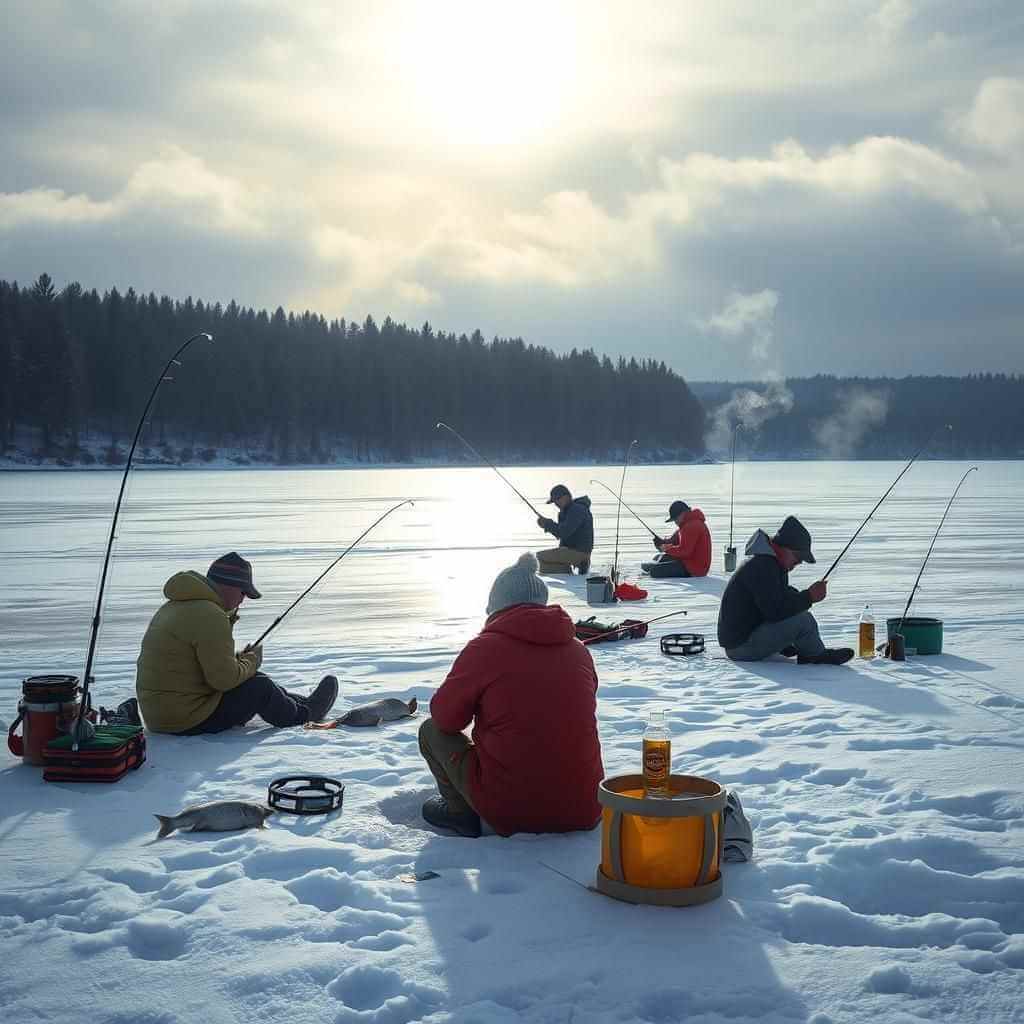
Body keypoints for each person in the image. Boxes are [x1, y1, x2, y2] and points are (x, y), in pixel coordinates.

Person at [418, 552, 604, 838]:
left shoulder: (485, 649)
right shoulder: (579, 650)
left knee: (430, 731)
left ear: (496, 607)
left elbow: (445, 720)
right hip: (585, 808)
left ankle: (460, 813)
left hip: (512, 812)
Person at [136, 551, 339, 734]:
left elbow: (197, 666)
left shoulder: (177, 605)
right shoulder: (210, 615)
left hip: (163, 715)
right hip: (186, 719)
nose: (243, 600)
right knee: (259, 686)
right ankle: (304, 716)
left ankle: (300, 703)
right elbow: (223, 681)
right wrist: (251, 660)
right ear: (228, 585)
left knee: (254, 678)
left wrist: (240, 660)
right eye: (243, 592)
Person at [717, 516, 854, 665]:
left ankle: (796, 646)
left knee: (795, 603)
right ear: (785, 548)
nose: (799, 562)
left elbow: (774, 598)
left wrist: (799, 596)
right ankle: (816, 655)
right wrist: (809, 597)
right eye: (798, 556)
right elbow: (775, 611)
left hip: (739, 641)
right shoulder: (764, 567)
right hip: (740, 648)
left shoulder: (768, 563)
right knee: (804, 621)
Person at [641, 500, 712, 578]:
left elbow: (684, 551)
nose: (675, 522)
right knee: (659, 557)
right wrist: (662, 542)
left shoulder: (691, 526)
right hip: (689, 563)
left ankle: (652, 568)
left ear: (683, 514)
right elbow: (673, 541)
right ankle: (653, 567)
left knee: (655, 571)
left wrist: (665, 548)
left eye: (675, 519)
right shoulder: (687, 524)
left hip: (695, 569)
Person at [536, 484, 594, 574]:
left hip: (580, 553)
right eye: (554, 501)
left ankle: (570, 573)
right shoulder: (565, 512)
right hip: (572, 551)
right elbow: (562, 536)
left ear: (566, 497)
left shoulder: (577, 509)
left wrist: (547, 524)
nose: (556, 503)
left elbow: (563, 532)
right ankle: (570, 573)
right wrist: (547, 525)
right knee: (548, 559)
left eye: (557, 500)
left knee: (540, 556)